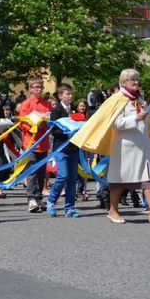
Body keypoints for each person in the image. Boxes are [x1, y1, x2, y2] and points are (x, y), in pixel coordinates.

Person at [71, 69, 150, 226]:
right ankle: (113, 210)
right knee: (118, 182)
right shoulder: (117, 99)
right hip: (125, 149)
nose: (136, 82)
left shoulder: (140, 99)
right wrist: (135, 118)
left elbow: (149, 121)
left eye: (137, 79)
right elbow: (115, 124)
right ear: (123, 82)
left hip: (143, 148)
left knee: (149, 180)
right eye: (132, 79)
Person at [18, 77, 53, 213]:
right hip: (31, 142)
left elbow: (51, 120)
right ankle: (31, 198)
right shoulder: (26, 104)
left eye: (41, 87)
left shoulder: (46, 104)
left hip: (43, 142)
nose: (39, 89)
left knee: (41, 171)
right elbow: (22, 122)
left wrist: (45, 123)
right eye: (37, 87)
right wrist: (34, 126)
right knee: (32, 170)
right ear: (31, 88)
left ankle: (38, 198)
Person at [46, 83, 81, 218]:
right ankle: (52, 200)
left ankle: (70, 207)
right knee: (63, 175)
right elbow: (54, 130)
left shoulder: (74, 110)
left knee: (73, 178)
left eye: (71, 93)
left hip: (74, 147)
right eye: (67, 93)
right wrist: (67, 132)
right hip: (61, 147)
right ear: (60, 95)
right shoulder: (57, 111)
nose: (70, 96)